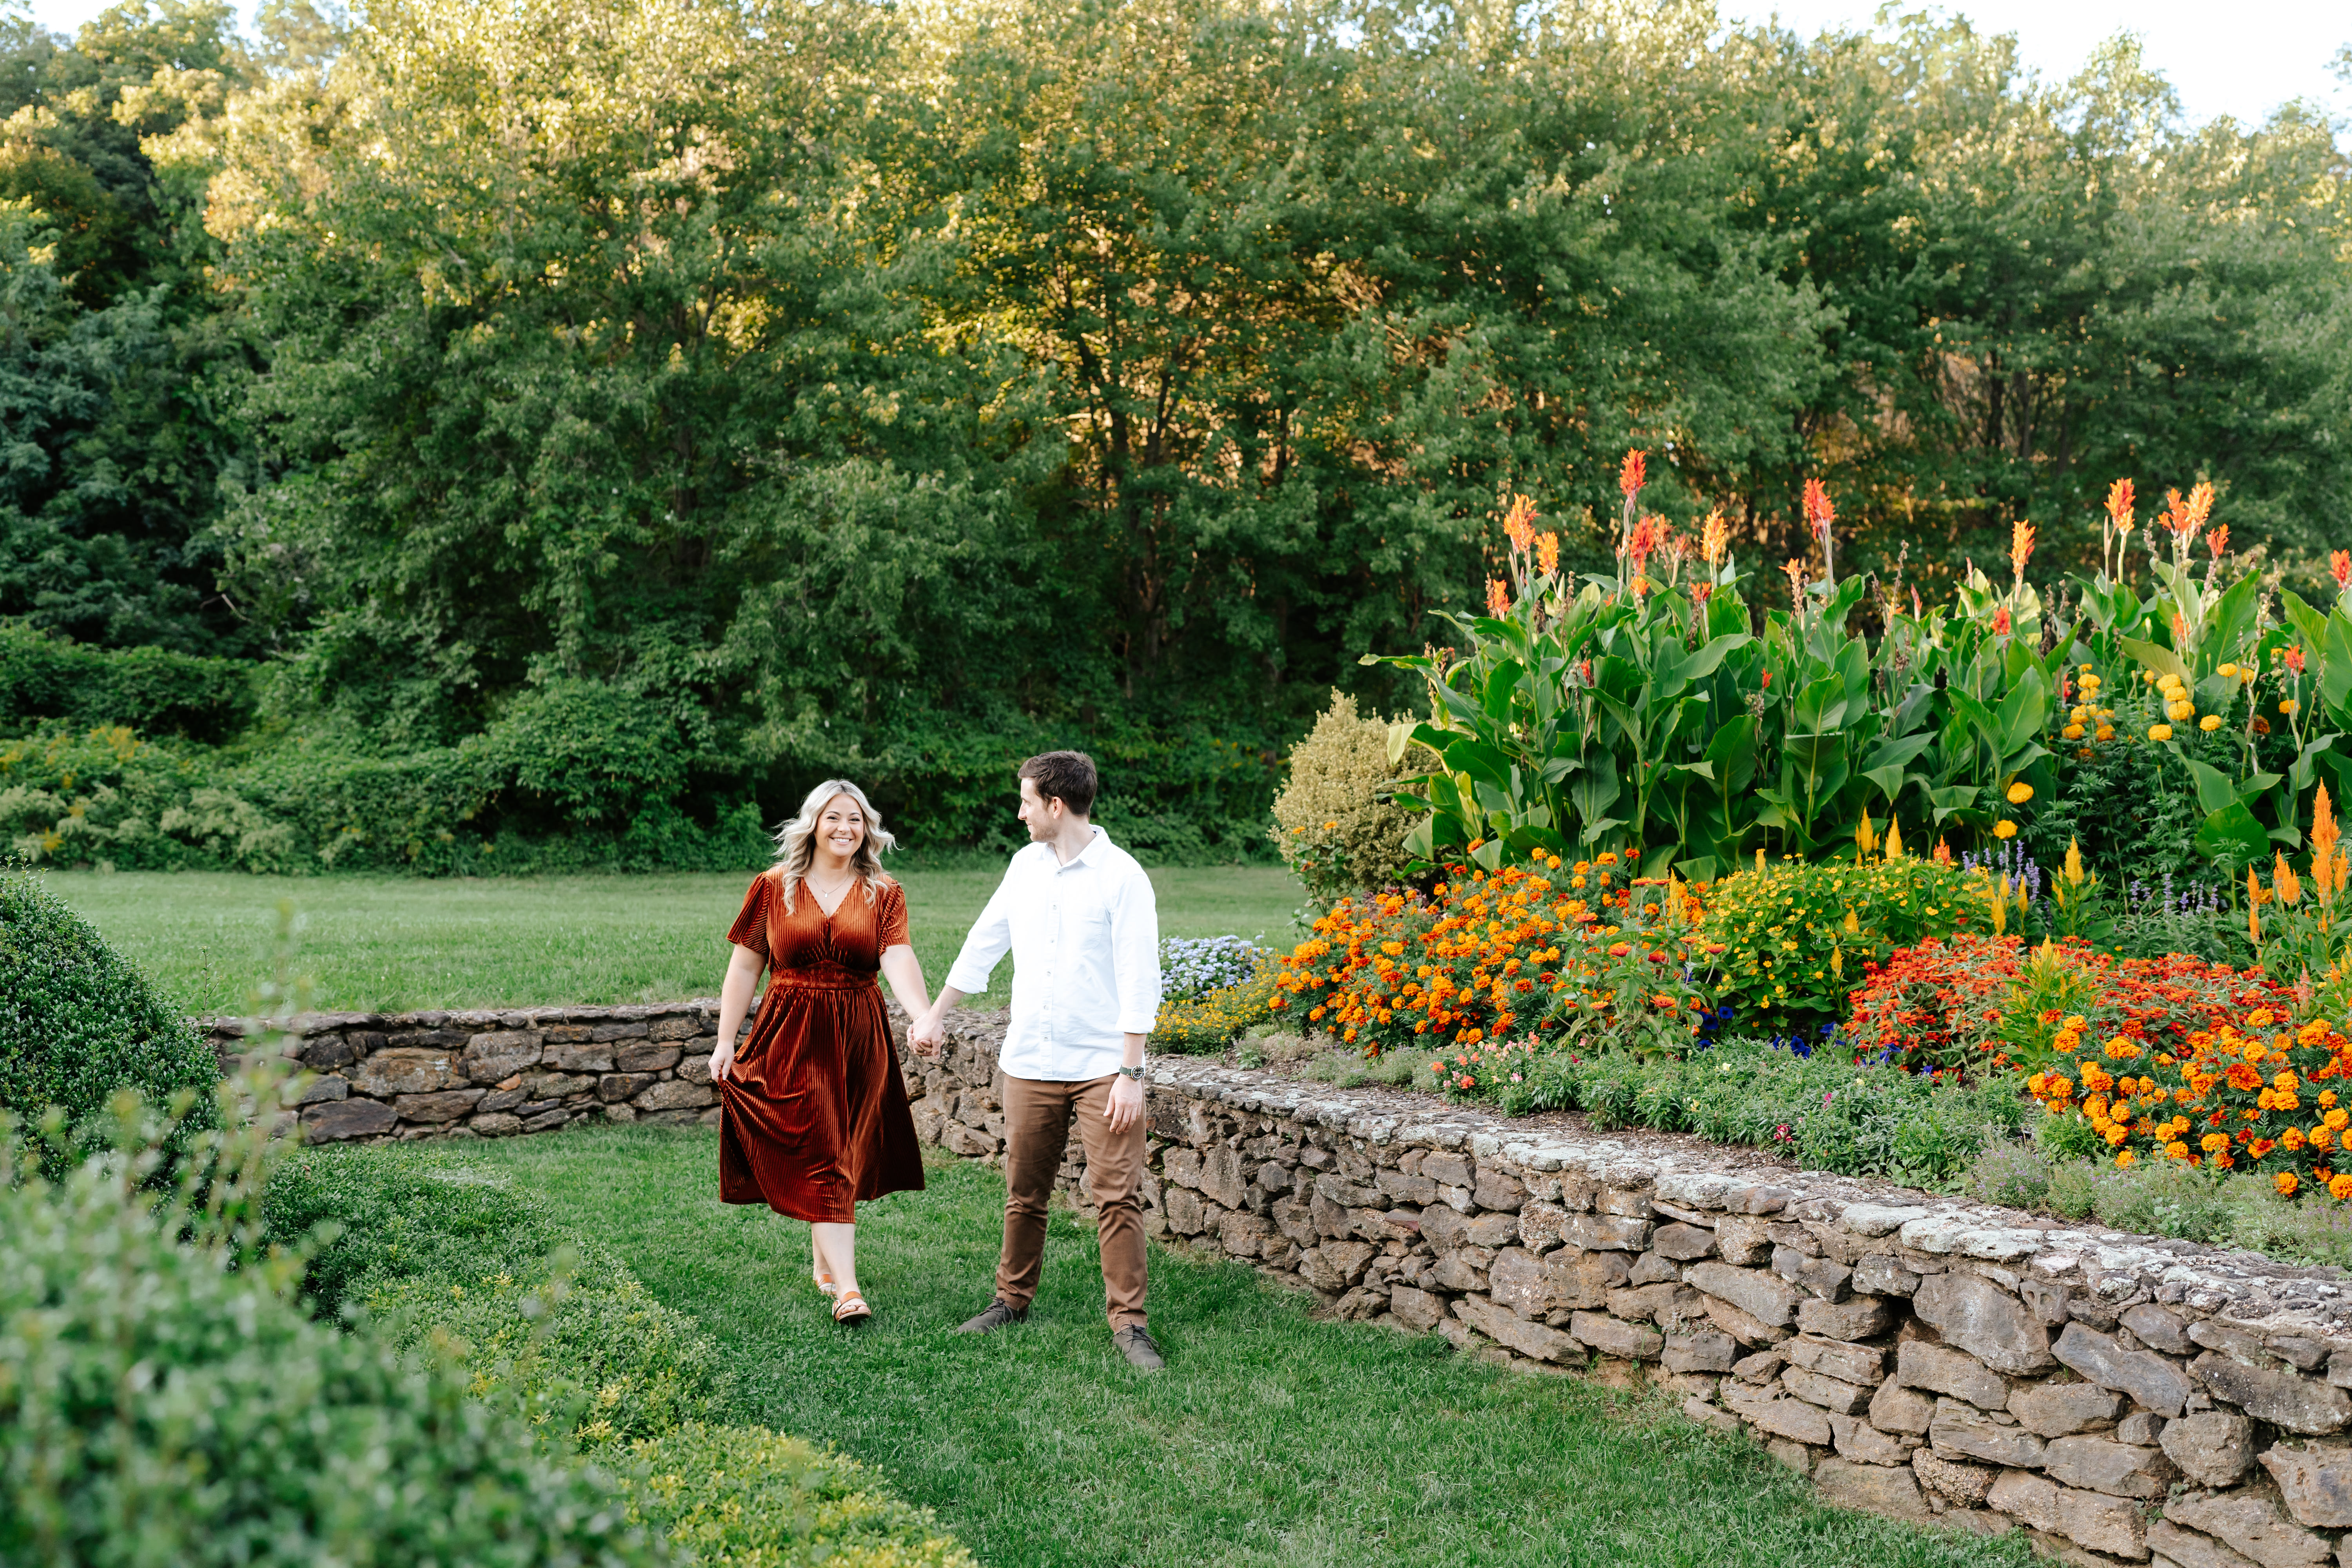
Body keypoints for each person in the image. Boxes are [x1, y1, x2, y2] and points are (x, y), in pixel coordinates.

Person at [909, 750, 1165, 1370]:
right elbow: (984, 942)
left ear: (1056, 805)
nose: (1019, 812)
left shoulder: (1122, 877)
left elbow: (1141, 978)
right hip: (1030, 1061)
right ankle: (1011, 1300)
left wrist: (1131, 1073)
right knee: (1024, 1193)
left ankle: (1130, 1325)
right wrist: (936, 1013)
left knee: (1117, 1197)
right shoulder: (1025, 866)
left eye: (1027, 801)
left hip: (1104, 1065)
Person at [711, 779, 930, 1325]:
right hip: (791, 1032)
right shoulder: (773, 885)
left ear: (868, 828)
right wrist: (725, 1039)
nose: (845, 829)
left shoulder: (884, 891)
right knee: (825, 1151)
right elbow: (745, 966)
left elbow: (897, 957)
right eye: (834, 817)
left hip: (858, 1033)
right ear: (813, 823)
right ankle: (849, 1291)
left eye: (855, 819)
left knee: (840, 1151)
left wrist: (923, 1014)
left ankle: (826, 1261)